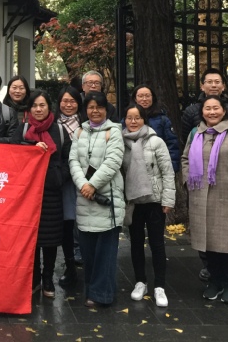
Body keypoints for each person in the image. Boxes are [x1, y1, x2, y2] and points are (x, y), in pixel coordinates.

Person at [182, 96, 228, 305]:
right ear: (202, 112)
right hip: (201, 197)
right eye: (208, 108)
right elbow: (185, 158)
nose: (212, 112)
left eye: (216, 108)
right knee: (208, 243)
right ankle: (214, 282)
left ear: (223, 111)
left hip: (226, 196)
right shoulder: (196, 133)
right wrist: (188, 180)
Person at [179, 68, 228, 281]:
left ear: (223, 86)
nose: (213, 85)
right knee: (203, 225)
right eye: (209, 81)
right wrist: (189, 178)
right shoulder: (191, 112)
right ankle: (209, 267)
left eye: (217, 81)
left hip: (224, 180)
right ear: (202, 85)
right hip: (200, 180)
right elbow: (186, 143)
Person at [68, 91, 125, 307]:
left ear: (106, 109)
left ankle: (102, 294)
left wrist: (92, 185)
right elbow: (73, 160)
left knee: (105, 253)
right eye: (91, 107)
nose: (95, 111)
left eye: (99, 107)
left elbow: (113, 161)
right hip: (85, 199)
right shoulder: (80, 131)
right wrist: (83, 185)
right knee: (88, 252)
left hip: (106, 200)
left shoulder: (114, 132)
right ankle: (92, 289)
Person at [12, 90, 70, 298]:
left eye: (42, 105)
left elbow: (68, 158)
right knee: (32, 238)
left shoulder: (59, 130)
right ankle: (34, 277)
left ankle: (48, 278)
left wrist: (59, 177)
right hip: (28, 193)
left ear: (49, 107)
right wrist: (31, 148)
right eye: (34, 106)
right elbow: (13, 154)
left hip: (52, 192)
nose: (38, 109)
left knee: (51, 239)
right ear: (29, 109)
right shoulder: (23, 129)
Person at [121, 104, 175, 308]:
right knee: (135, 243)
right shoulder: (121, 142)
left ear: (144, 119)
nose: (133, 121)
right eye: (129, 118)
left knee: (157, 244)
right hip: (133, 202)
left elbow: (167, 172)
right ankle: (140, 282)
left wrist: (168, 199)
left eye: (137, 117)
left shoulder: (156, 141)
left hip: (154, 200)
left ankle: (159, 286)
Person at [55, 86, 83, 287]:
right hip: (65, 181)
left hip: (86, 180)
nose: (68, 105)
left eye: (72, 101)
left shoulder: (87, 124)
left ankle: (87, 260)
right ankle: (70, 265)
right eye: (65, 101)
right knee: (68, 221)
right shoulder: (54, 125)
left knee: (85, 223)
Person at [128, 84, 181, 172]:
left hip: (158, 167)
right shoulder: (127, 119)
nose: (144, 99)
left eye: (147, 96)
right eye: (140, 96)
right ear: (135, 99)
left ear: (153, 98)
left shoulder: (162, 119)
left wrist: (172, 168)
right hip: (134, 168)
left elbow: (172, 144)